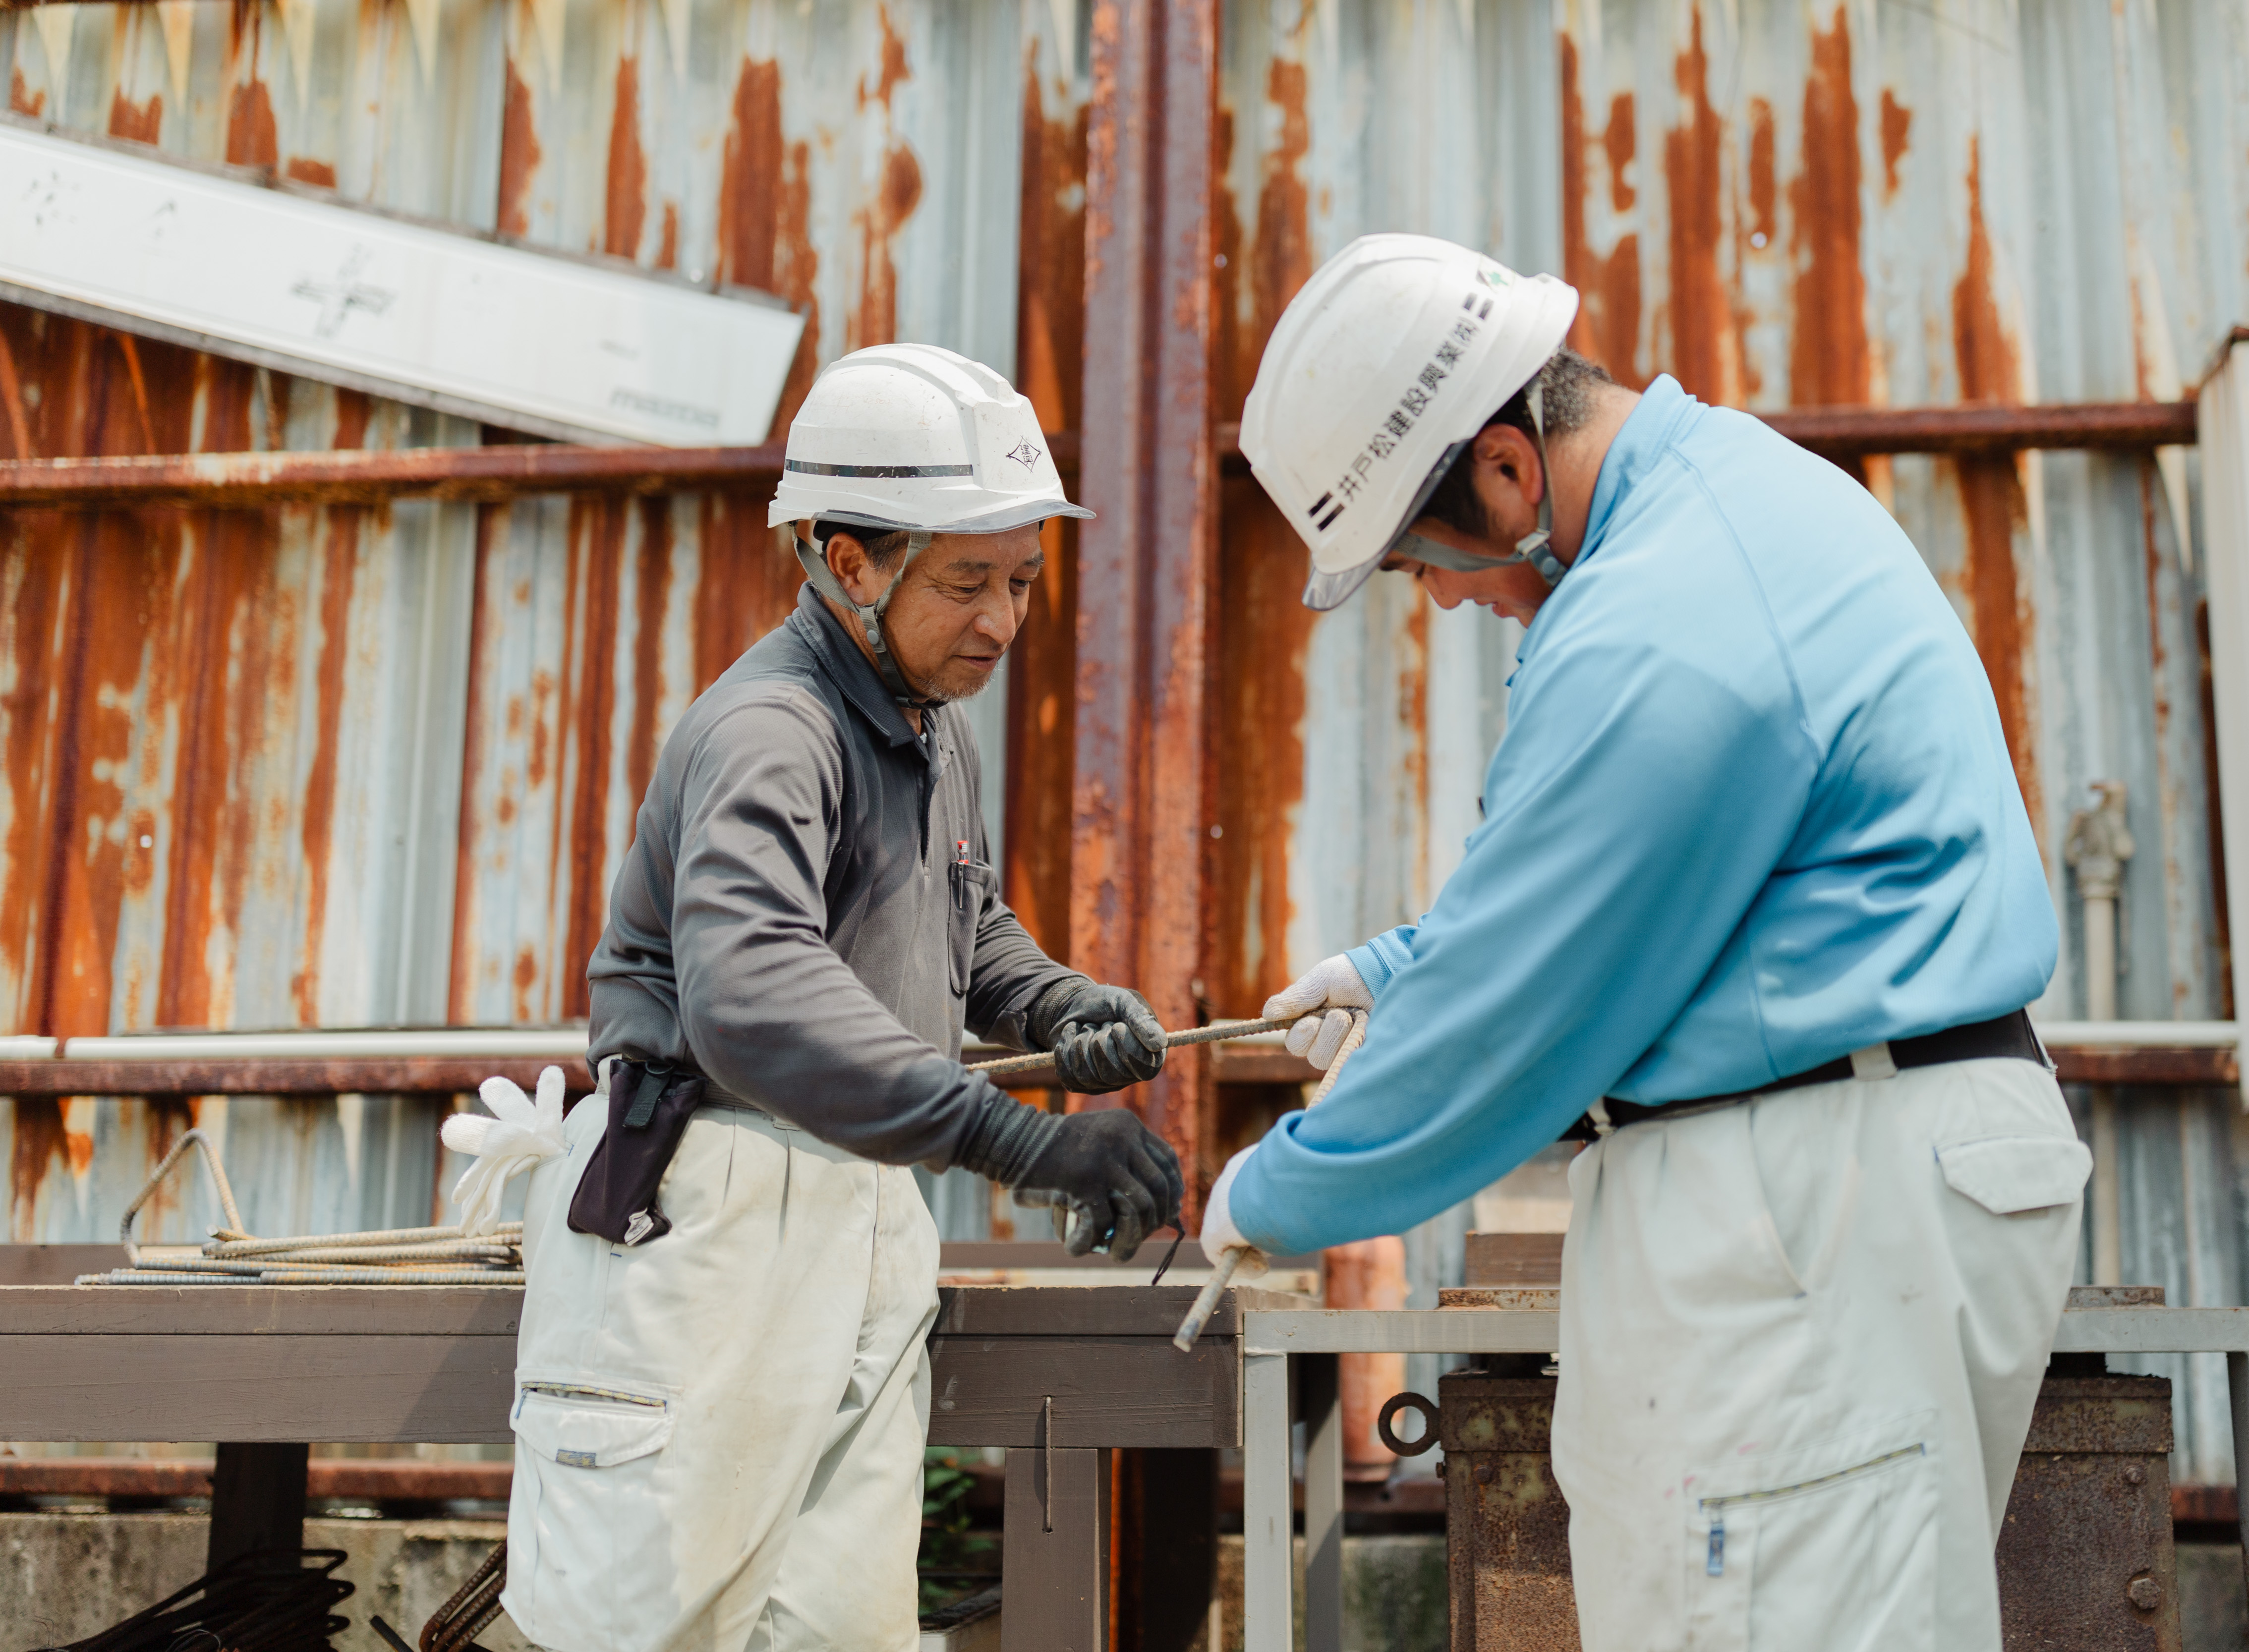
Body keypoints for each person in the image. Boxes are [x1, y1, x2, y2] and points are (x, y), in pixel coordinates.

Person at [1204, 234, 2091, 1651]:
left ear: (1504, 466)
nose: (1438, 598)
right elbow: (1641, 888)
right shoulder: (1721, 509)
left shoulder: (1666, 622)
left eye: (1422, 562)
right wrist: (1398, 972)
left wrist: (1274, 1194)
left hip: (1812, 1197)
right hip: (1846, 1164)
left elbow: (1523, 1010)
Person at [497, 343, 1183, 1652]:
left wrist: (1058, 1011)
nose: (1001, 621)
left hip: (864, 1204)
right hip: (709, 1206)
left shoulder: (929, 724)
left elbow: (960, 928)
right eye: (967, 581)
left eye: (1023, 582)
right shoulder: (775, 729)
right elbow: (752, 993)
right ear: (844, 561)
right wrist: (1020, 1142)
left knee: (835, 1629)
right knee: (645, 1626)